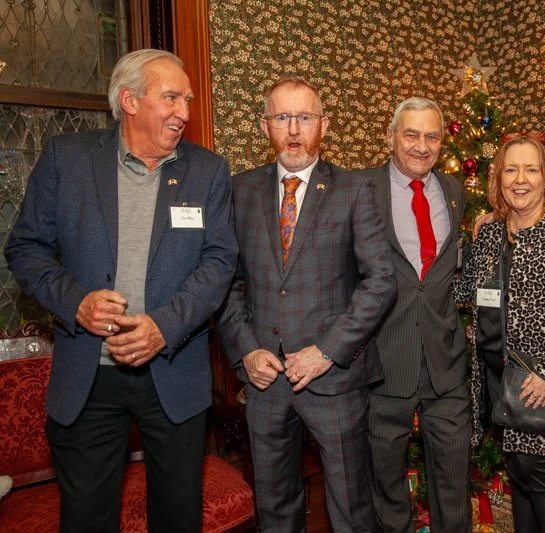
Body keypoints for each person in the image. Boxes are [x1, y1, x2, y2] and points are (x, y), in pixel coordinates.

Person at [4, 49, 238, 531]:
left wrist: (163, 327)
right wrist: (76, 302)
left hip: (173, 372)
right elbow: (26, 248)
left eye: (187, 100)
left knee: (178, 516)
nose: (184, 112)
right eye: (171, 98)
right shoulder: (68, 159)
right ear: (129, 100)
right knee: (87, 517)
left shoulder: (208, 171)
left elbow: (219, 264)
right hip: (87, 375)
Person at [216, 75, 396, 532]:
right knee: (275, 509)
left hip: (334, 379)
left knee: (352, 510)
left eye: (304, 117)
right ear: (265, 126)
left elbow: (380, 281)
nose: (294, 130)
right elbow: (227, 282)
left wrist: (326, 352)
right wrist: (246, 349)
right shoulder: (239, 191)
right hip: (265, 382)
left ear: (324, 124)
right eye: (282, 117)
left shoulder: (354, 189)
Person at [455, 133, 545, 533]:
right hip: (497, 379)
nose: (520, 179)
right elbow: (465, 292)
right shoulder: (491, 233)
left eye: (531, 169)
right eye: (511, 170)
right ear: (498, 178)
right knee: (521, 478)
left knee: (542, 480)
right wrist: (461, 243)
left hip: (543, 382)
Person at [352, 97, 471, 532]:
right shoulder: (359, 189)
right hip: (384, 360)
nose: (422, 145)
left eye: (432, 136)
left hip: (446, 360)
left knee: (454, 480)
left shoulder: (454, 191)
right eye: (411, 134)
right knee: (386, 485)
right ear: (391, 138)